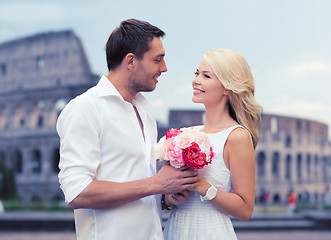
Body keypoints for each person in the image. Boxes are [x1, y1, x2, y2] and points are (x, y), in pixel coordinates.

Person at [56, 19, 199, 240]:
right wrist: (156, 184)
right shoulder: (84, 108)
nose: (164, 68)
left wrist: (164, 197)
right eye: (157, 59)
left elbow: (138, 183)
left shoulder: (145, 115)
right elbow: (77, 192)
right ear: (130, 61)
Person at [163, 49, 262, 240]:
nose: (196, 80)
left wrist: (202, 186)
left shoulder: (237, 136)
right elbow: (170, 194)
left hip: (210, 231)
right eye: (196, 73)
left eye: (206, 76)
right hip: (176, 228)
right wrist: (171, 197)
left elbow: (245, 209)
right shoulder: (186, 134)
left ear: (227, 87)